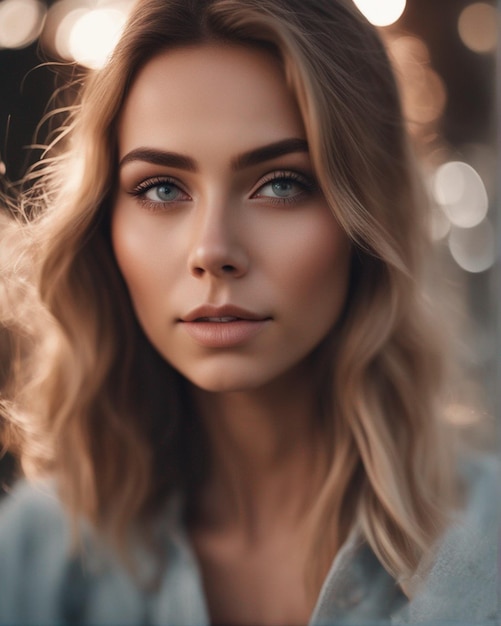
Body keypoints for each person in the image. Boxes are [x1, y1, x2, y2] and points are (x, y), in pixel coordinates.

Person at [0, 0, 497, 624]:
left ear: (370, 215)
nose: (212, 251)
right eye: (161, 188)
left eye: (281, 183)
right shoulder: (35, 556)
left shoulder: (488, 554)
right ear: (105, 224)